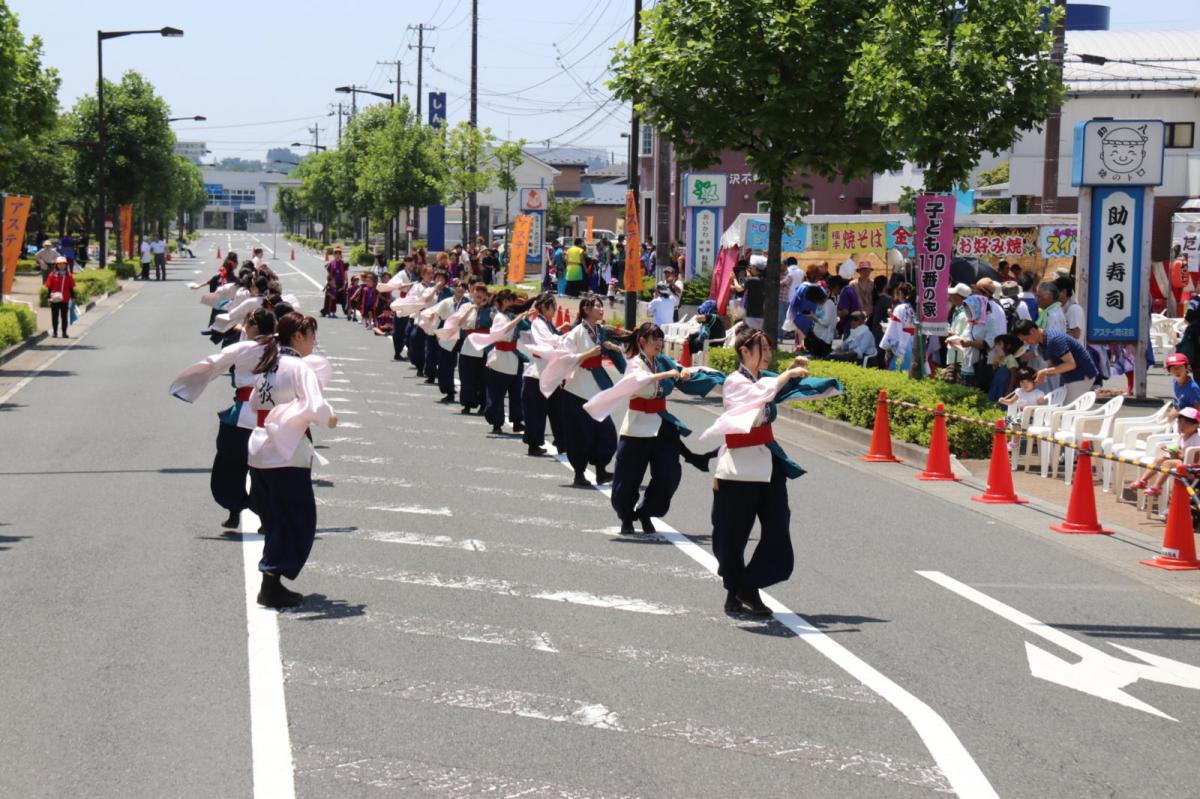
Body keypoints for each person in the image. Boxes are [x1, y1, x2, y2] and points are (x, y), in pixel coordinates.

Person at [697, 327, 840, 617]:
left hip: (768, 463)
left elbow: (782, 391)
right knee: (732, 535)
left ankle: (750, 584)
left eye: (769, 349)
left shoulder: (766, 381)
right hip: (738, 468)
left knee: (778, 526)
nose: (768, 355)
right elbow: (755, 399)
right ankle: (734, 589)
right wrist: (784, 376)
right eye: (762, 349)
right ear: (744, 352)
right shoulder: (735, 382)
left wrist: (803, 378)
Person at [585, 322, 724, 534]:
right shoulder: (634, 364)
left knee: (669, 473)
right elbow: (639, 381)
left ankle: (646, 512)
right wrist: (665, 375)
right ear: (642, 342)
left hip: (662, 424)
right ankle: (626, 516)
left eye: (661, 339)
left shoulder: (662, 361)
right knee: (628, 476)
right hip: (637, 427)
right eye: (654, 339)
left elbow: (679, 371)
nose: (659, 343)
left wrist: (687, 372)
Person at [247, 312, 337, 608]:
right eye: (311, 335)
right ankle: (271, 582)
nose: (314, 342)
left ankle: (271, 582)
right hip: (286, 450)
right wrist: (328, 418)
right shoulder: (298, 366)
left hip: (260, 447)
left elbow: (253, 403)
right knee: (296, 519)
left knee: (276, 519)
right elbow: (315, 404)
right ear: (298, 336)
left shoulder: (269, 364)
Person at [170, 306, 277, 529]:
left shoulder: (245, 347)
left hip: (244, 414)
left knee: (231, 465)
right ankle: (267, 516)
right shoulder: (281, 348)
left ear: (254, 325)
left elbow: (214, 363)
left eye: (247, 324)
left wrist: (186, 385)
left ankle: (234, 510)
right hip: (274, 416)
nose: (245, 328)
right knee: (267, 468)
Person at [558, 293, 626, 486]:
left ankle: (601, 469)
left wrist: (615, 350)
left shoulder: (600, 331)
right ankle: (579, 472)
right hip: (577, 389)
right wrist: (588, 354)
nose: (601, 309)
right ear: (586, 310)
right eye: (597, 306)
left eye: (601, 306)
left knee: (606, 432)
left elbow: (615, 356)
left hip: (598, 387)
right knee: (579, 434)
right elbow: (565, 359)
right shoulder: (575, 333)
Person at [468, 289, 530, 435]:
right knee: (497, 393)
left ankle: (517, 421)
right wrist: (517, 319)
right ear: (501, 302)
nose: (511, 303)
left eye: (512, 300)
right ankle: (496, 423)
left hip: (514, 357)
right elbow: (500, 333)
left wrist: (525, 317)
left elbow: (526, 329)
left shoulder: (512, 316)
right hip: (500, 358)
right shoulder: (498, 317)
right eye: (508, 300)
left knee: (516, 392)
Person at [517, 292, 565, 455]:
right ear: (544, 307)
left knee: (557, 410)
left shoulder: (547, 324)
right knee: (536, 412)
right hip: (538, 373)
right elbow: (547, 341)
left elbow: (552, 338)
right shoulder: (538, 323)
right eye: (553, 306)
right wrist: (564, 339)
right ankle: (534, 444)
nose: (555, 309)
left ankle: (562, 441)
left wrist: (561, 334)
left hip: (549, 373)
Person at [1013, 320, 1097, 403]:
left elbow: (1071, 364)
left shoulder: (1054, 340)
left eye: (1026, 339)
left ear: (1032, 331)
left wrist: (1044, 372)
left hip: (1082, 374)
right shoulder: (1042, 343)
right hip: (1070, 376)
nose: (1026, 343)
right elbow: (1052, 367)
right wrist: (1038, 376)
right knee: (1064, 405)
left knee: (1069, 407)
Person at [1128, 407, 1200, 497]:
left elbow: (1194, 460)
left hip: (1192, 470)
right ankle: (1143, 480)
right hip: (1183, 463)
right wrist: (1171, 450)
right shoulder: (1182, 436)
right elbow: (1178, 450)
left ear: (1196, 425)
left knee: (1167, 463)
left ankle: (1157, 487)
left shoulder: (1196, 439)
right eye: (1180, 422)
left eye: (1186, 423)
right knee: (1159, 459)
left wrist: (1179, 454)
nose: (1182, 426)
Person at [456, 281, 493, 415]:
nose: (478, 296)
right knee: (466, 376)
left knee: (483, 378)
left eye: (481, 294)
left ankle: (483, 404)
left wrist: (486, 307)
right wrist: (472, 308)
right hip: (469, 344)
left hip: (484, 346)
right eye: (476, 293)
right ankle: (467, 403)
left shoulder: (490, 309)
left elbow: (495, 323)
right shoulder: (466, 306)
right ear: (472, 293)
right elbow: (459, 322)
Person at [879, 283, 916, 372]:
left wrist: (887, 346)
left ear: (900, 293)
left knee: (898, 373)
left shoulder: (900, 308)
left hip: (902, 344)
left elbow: (893, 329)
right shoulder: (915, 307)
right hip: (915, 342)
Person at [44, 256, 75, 338]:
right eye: (60, 264)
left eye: (63, 264)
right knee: (55, 316)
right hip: (55, 298)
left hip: (65, 298)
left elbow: (71, 287)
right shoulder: (52, 275)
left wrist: (73, 298)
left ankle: (64, 332)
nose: (61, 266)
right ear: (56, 265)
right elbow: (49, 287)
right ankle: (55, 332)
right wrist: (48, 297)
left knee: (64, 316)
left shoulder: (69, 275)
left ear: (66, 265)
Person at [734, 261, 765, 330]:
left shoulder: (751, 280)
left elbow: (739, 289)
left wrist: (734, 279)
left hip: (751, 314)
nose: (750, 268)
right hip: (762, 313)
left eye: (752, 267)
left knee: (750, 333)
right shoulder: (764, 280)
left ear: (756, 268)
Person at [326, 246, 349, 317]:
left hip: (342, 284)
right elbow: (328, 275)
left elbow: (346, 275)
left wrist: (345, 284)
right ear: (334, 255)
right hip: (333, 284)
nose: (337, 255)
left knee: (344, 298)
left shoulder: (344, 264)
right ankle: (329, 311)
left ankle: (347, 312)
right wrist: (329, 283)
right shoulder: (331, 264)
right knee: (331, 299)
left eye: (339, 254)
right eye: (336, 253)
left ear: (341, 255)